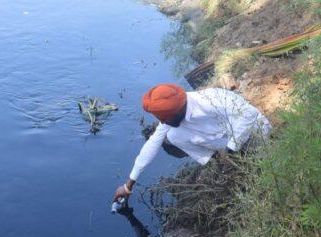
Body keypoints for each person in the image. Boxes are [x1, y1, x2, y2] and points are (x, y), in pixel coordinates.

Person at [112, 84, 270, 203]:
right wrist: (128, 186)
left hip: (254, 134)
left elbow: (250, 114)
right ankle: (219, 159)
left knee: (263, 173)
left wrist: (231, 150)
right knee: (173, 135)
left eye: (164, 120)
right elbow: (151, 145)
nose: (161, 123)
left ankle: (232, 159)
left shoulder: (210, 101)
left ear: (177, 112)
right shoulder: (173, 112)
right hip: (224, 138)